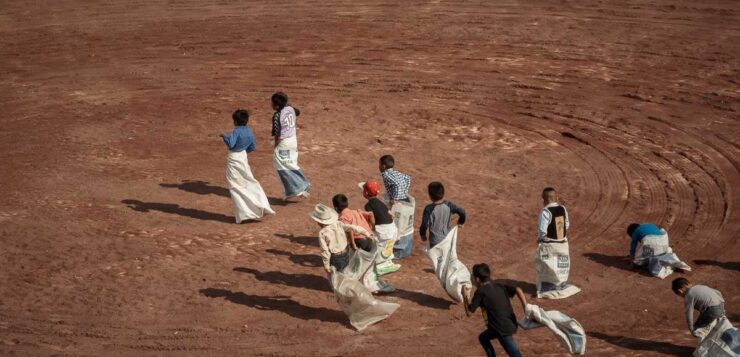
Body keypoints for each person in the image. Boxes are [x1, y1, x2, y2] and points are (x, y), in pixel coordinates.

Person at [219, 109, 275, 223]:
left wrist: (224, 136)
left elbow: (230, 144)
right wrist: (242, 151)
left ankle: (245, 214)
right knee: (249, 180)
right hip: (243, 157)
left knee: (235, 186)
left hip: (234, 158)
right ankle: (261, 205)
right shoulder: (249, 131)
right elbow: (252, 147)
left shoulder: (236, 131)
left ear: (235, 121)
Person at [464, 263, 525, 357]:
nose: (471, 278)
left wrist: (465, 296)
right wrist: (526, 307)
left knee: (514, 354)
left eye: (472, 276)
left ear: (477, 279)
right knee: (483, 337)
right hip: (510, 323)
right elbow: (518, 289)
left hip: (500, 328)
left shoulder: (480, 292)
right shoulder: (499, 283)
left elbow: (469, 312)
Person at [534, 187, 580, 299]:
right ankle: (560, 285)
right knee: (560, 266)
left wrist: (540, 240)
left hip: (550, 245)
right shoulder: (563, 209)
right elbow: (566, 225)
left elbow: (542, 231)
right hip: (563, 244)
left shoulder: (545, 211)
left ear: (544, 199)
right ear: (556, 198)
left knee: (545, 266)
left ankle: (547, 289)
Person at [309, 204, 374, 278]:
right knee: (345, 272)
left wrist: (326, 266)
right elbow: (354, 228)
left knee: (336, 277)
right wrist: (367, 233)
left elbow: (325, 251)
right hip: (346, 253)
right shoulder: (338, 224)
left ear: (319, 222)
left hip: (335, 257)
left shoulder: (323, 233)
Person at [271, 92, 310, 200]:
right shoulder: (290, 108)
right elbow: (298, 112)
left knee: (281, 167)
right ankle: (298, 188)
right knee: (291, 163)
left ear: (277, 106)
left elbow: (277, 134)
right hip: (293, 140)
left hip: (284, 143)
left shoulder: (277, 115)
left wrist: (275, 146)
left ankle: (296, 188)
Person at [360, 179, 401, 275]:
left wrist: (372, 229)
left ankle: (380, 265)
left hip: (383, 231)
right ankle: (388, 261)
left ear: (365, 193)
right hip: (393, 229)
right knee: (388, 246)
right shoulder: (381, 202)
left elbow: (372, 218)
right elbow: (391, 214)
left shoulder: (368, 205)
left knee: (378, 246)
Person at [379, 155, 415, 258]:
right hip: (405, 200)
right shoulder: (396, 172)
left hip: (399, 203)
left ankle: (393, 251)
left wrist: (394, 198)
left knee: (394, 224)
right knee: (405, 224)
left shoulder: (385, 174)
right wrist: (405, 192)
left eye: (380, 164)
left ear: (384, 166)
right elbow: (408, 178)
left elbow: (396, 184)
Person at [420, 181, 466, 248]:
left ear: (430, 196)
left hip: (435, 241)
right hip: (447, 239)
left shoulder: (428, 209)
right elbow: (462, 212)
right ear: (443, 193)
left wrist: (423, 235)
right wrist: (461, 222)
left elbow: (424, 225)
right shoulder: (449, 205)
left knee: (436, 257)